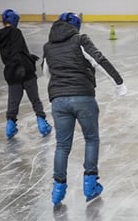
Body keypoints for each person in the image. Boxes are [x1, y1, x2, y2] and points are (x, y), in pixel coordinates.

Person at [43, 12, 126, 206]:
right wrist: (118, 82)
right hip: (83, 97)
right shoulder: (79, 40)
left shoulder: (48, 46)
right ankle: (90, 185)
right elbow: (99, 60)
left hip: (59, 100)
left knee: (62, 146)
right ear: (75, 26)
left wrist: (57, 93)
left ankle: (58, 190)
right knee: (91, 139)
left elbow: (46, 73)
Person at [0, 9, 52, 140]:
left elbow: (11, 53)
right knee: (34, 99)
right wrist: (28, 60)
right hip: (25, 71)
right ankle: (42, 125)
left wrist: (28, 56)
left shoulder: (0, 35)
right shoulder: (16, 32)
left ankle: (10, 127)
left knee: (13, 101)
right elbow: (19, 50)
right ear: (15, 21)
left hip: (11, 73)